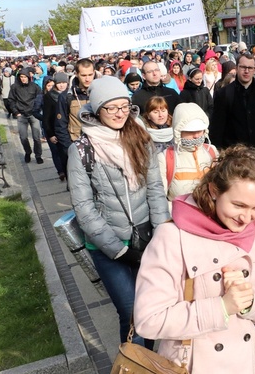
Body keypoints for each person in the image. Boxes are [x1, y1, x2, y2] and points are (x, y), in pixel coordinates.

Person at [134, 145, 255, 373]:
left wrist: (250, 300)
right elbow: (148, 320)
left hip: (245, 364)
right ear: (213, 190)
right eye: (238, 205)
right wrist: (222, 307)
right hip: (192, 365)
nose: (246, 218)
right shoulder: (173, 236)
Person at [67, 76, 170, 348]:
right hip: (108, 247)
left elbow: (155, 190)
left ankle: (144, 362)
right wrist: (118, 250)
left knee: (149, 309)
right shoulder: (82, 150)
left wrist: (161, 233)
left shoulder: (140, 139)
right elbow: (84, 209)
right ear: (97, 110)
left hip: (146, 239)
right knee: (131, 312)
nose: (119, 114)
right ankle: (135, 365)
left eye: (124, 106)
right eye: (111, 108)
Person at [210, 53, 255, 166]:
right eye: (243, 67)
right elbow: (217, 129)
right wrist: (218, 158)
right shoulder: (224, 94)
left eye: (250, 68)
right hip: (234, 158)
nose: (246, 71)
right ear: (237, 68)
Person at [158, 102, 218, 204]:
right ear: (178, 131)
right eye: (190, 131)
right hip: (180, 217)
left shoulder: (212, 151)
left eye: (200, 130)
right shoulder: (165, 157)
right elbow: (159, 198)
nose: (196, 136)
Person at [8, 67, 43, 164]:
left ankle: (38, 155)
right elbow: (11, 100)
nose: (23, 79)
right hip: (21, 114)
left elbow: (40, 99)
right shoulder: (15, 87)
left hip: (33, 114)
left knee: (36, 137)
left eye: (25, 77)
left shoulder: (35, 87)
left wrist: (37, 110)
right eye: (21, 77)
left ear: (28, 77)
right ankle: (28, 152)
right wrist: (16, 112)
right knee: (23, 137)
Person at [42, 72, 69, 180]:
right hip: (55, 129)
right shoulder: (49, 96)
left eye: (64, 83)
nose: (62, 85)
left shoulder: (70, 94)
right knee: (62, 155)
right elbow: (46, 117)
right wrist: (50, 134)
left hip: (68, 129)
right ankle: (65, 176)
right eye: (59, 83)